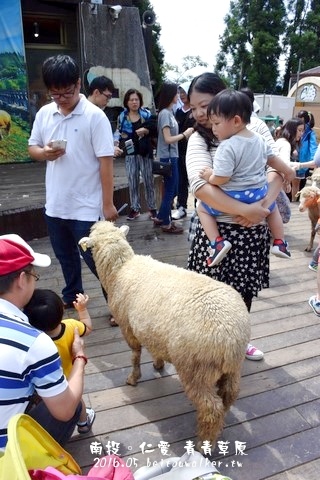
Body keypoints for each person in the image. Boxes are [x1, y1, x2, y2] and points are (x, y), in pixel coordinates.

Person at [186, 72, 295, 361]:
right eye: (193, 108)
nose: (200, 114)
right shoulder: (198, 138)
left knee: (243, 292)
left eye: (205, 106)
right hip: (220, 228)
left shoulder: (255, 128)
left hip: (252, 228)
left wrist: (262, 207)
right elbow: (201, 188)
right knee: (208, 293)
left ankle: (237, 342)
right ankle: (206, 345)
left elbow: (274, 170)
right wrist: (247, 209)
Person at [27, 55, 118, 326]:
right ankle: (73, 295)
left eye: (67, 92)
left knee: (99, 262)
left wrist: (108, 204)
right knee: (66, 257)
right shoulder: (45, 113)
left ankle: (117, 303)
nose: (62, 98)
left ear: (79, 84)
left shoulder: (95, 117)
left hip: (87, 207)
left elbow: (106, 162)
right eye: (55, 94)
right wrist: (45, 153)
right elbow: (32, 148)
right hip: (56, 204)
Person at [0, 233, 86, 451]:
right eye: (33, 275)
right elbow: (64, 411)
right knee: (69, 401)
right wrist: (79, 358)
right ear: (21, 279)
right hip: (6, 458)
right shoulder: (33, 341)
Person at [197, 89, 291, 267]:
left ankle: (217, 243)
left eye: (216, 123)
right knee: (272, 209)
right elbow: (273, 161)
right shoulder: (260, 140)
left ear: (236, 121)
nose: (213, 128)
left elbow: (222, 178)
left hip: (233, 196)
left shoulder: (227, 146)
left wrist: (210, 176)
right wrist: (289, 171)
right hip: (259, 194)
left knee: (202, 208)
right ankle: (280, 242)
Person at [24, 289, 95, 434]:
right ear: (61, 310)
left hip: (44, 380)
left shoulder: (35, 339)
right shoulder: (70, 326)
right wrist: (82, 310)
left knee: (45, 400)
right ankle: (83, 423)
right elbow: (87, 328)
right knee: (76, 400)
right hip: (70, 376)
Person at [153, 82, 194, 234]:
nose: (179, 96)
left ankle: (161, 217)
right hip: (169, 157)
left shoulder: (169, 112)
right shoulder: (165, 113)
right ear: (171, 95)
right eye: (177, 93)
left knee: (171, 189)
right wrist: (185, 134)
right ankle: (166, 223)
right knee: (171, 190)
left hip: (171, 156)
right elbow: (167, 138)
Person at [117, 88, 157, 220]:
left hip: (145, 151)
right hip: (130, 151)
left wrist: (146, 130)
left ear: (140, 101)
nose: (134, 102)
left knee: (148, 180)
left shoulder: (146, 114)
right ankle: (135, 208)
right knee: (132, 180)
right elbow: (118, 132)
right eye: (131, 100)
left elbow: (154, 130)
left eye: (136, 99)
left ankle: (152, 208)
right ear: (127, 102)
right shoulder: (122, 117)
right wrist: (115, 142)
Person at [172, 82, 195, 220]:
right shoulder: (178, 111)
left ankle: (199, 207)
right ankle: (182, 207)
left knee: (195, 180)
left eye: (184, 92)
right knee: (181, 180)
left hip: (193, 151)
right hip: (179, 150)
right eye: (180, 93)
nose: (182, 95)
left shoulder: (195, 111)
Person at [275, 117, 305, 200]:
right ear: (292, 129)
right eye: (299, 130)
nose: (301, 133)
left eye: (302, 131)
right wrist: (308, 164)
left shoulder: (281, 140)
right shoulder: (285, 144)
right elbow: (285, 164)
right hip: (274, 183)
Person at [297, 110, 318, 188]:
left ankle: (296, 199)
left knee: (301, 183)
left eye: (299, 118)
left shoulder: (310, 133)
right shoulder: (295, 128)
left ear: (303, 119)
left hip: (305, 161)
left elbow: (313, 147)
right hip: (295, 159)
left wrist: (314, 160)